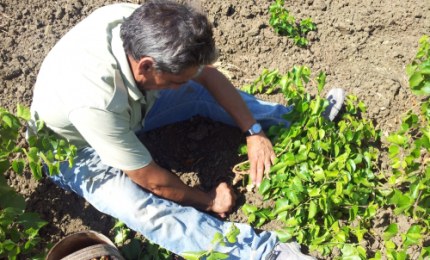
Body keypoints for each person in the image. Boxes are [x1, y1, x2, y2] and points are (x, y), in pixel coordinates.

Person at [29, 1, 343, 259]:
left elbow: (207, 77)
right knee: (141, 208)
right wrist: (207, 200)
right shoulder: (96, 100)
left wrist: (254, 131)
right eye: (177, 79)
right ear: (147, 66)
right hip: (73, 151)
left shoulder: (132, 22)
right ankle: (261, 253)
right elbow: (153, 182)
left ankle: (300, 122)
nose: (182, 84)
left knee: (197, 91)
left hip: (126, 111)